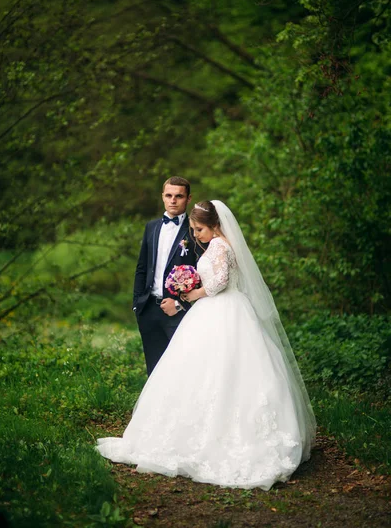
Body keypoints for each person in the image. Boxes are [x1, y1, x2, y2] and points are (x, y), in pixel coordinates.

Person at [97, 200, 316, 490]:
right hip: (219, 311)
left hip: (222, 310)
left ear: (214, 225)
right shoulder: (218, 245)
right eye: (194, 229)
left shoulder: (221, 246)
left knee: (223, 369)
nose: (196, 234)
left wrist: (191, 293)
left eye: (199, 229)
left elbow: (218, 284)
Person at [133, 176, 203, 376]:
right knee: (154, 371)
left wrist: (180, 304)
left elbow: (203, 274)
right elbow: (142, 267)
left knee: (181, 370)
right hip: (148, 310)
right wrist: (137, 304)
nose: (173, 200)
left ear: (188, 199)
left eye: (179, 196)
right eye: (169, 195)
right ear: (162, 197)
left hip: (178, 312)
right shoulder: (152, 227)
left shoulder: (195, 230)